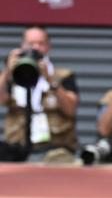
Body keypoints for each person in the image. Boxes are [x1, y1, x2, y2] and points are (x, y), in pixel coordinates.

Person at [0, 26, 78, 163]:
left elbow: (71, 109)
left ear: (48, 47)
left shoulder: (63, 76)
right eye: (31, 43)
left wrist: (50, 80)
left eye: (41, 43)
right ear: (22, 45)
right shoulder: (12, 75)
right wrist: (7, 72)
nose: (35, 48)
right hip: (17, 147)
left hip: (54, 147)